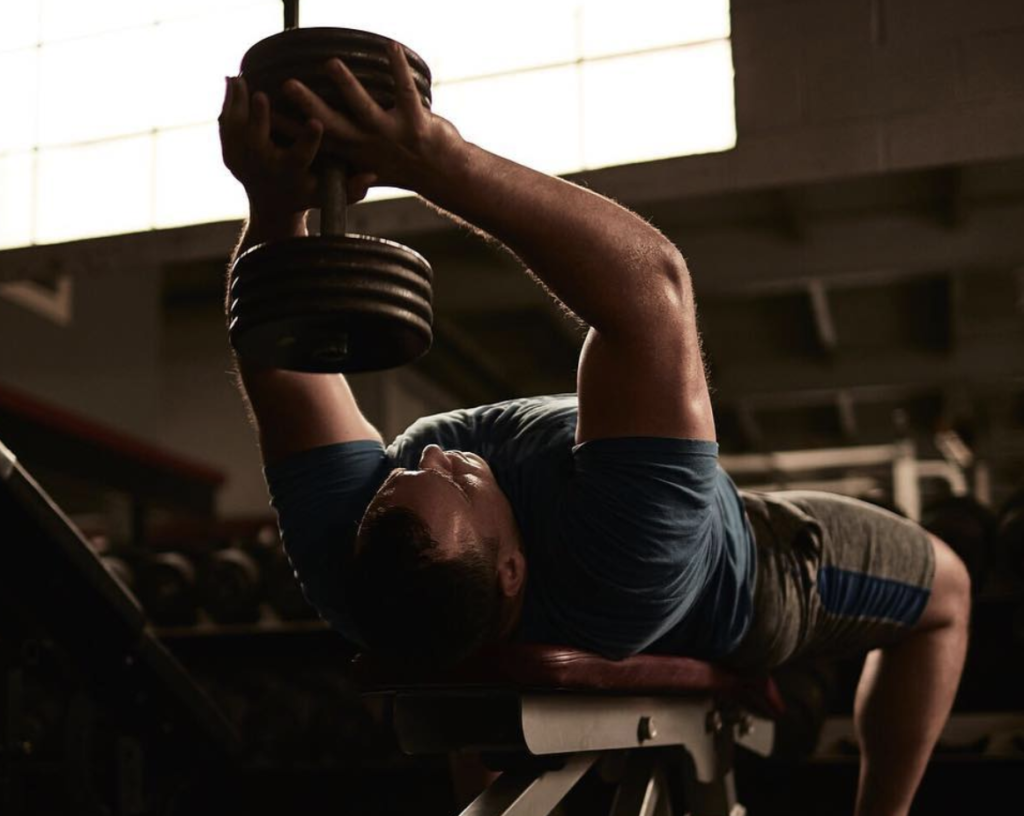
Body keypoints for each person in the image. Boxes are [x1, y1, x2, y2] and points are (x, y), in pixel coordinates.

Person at [218, 44, 970, 816]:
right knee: (946, 589)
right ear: (513, 568)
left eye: (401, 479)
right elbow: (653, 288)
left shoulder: (361, 570)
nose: (435, 456)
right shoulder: (619, 549)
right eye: (457, 482)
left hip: (653, 523)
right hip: (753, 578)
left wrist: (275, 207)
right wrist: (436, 159)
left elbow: (278, 359)